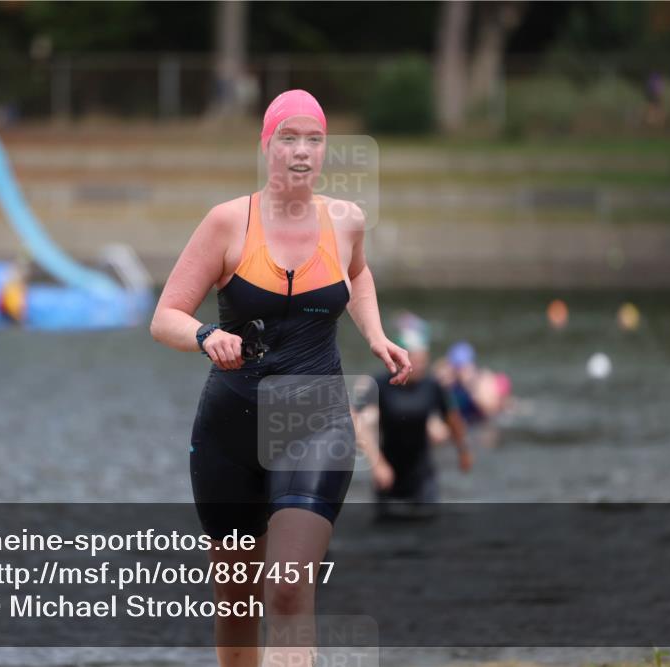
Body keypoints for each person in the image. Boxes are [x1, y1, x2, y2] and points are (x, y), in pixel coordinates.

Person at [151, 89, 411, 667]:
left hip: (315, 420)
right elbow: (164, 317)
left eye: (313, 140)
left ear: (325, 150)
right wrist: (204, 335)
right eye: (288, 139)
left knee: (289, 586)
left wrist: (374, 334)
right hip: (230, 429)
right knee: (236, 602)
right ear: (266, 145)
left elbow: (358, 275)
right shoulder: (227, 222)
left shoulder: (345, 221)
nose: (301, 151)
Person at [353, 323, 472, 519]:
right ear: (400, 358)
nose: (420, 365)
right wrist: (377, 463)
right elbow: (354, 417)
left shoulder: (432, 387)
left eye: (423, 360)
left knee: (428, 525)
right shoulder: (382, 384)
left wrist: (463, 451)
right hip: (388, 472)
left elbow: (452, 419)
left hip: (422, 474)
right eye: (415, 360)